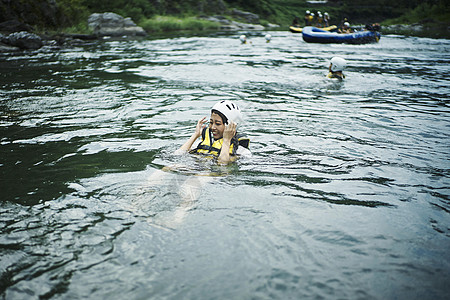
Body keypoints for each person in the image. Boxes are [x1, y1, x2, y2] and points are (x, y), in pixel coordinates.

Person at [176, 100, 251, 164]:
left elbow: (222, 164)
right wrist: (195, 135)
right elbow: (178, 155)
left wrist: (226, 140)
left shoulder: (241, 151)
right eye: (211, 122)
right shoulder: (203, 143)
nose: (212, 127)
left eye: (218, 124)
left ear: (231, 126)